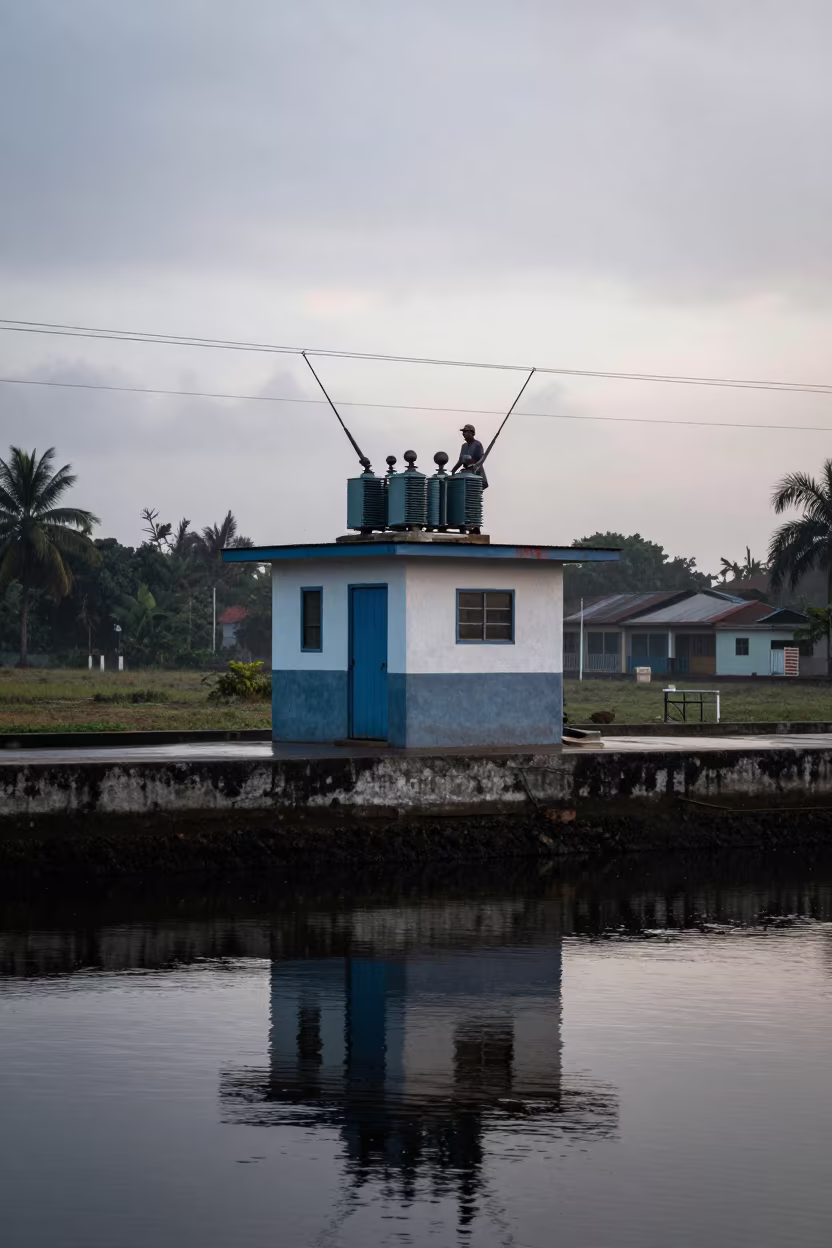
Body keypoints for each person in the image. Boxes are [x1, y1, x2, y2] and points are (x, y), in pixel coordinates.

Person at [451, 424, 488, 489]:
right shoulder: (464, 446)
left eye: (466, 432)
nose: (464, 434)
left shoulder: (477, 444)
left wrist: (472, 464)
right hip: (466, 472)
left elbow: (480, 460)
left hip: (476, 472)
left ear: (471, 433)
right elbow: (461, 460)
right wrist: (453, 471)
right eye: (463, 432)